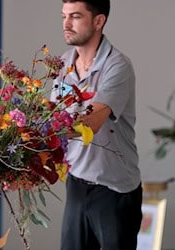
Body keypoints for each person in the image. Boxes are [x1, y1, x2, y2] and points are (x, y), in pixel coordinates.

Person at [53, 0, 142, 249]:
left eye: (75, 16)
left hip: (114, 190)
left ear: (98, 21)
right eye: (64, 16)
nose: (66, 24)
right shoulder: (62, 65)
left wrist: (43, 131)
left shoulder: (118, 66)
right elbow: (49, 115)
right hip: (77, 183)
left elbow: (89, 124)